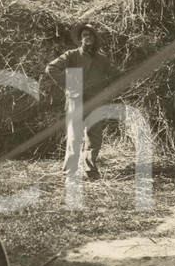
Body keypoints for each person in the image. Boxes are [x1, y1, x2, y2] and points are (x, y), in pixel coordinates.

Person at [45, 24, 119, 181]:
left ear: (95, 40)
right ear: (80, 39)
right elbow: (51, 68)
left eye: (91, 35)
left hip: (95, 102)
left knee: (95, 137)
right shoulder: (71, 55)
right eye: (85, 35)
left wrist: (107, 90)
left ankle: (90, 171)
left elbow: (114, 76)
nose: (88, 38)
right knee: (74, 138)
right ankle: (69, 174)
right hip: (75, 102)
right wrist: (69, 85)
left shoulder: (102, 60)